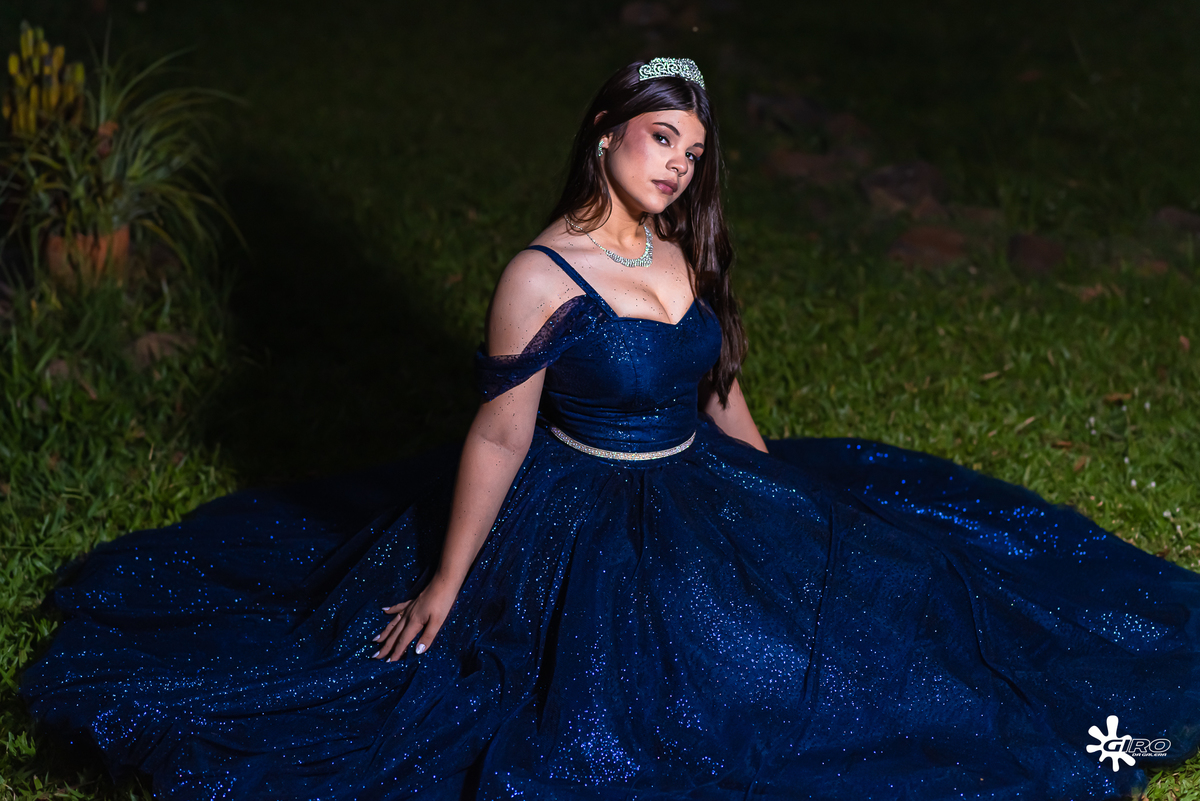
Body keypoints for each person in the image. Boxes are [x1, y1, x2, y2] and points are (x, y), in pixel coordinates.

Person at [20, 57, 1200, 801]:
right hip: (582, 517)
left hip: (703, 488)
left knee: (897, 604)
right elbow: (497, 439)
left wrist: (785, 504)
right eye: (660, 138)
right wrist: (444, 585)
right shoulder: (538, 276)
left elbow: (718, 390)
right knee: (664, 713)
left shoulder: (682, 249)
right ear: (604, 130)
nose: (678, 166)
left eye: (694, 151)